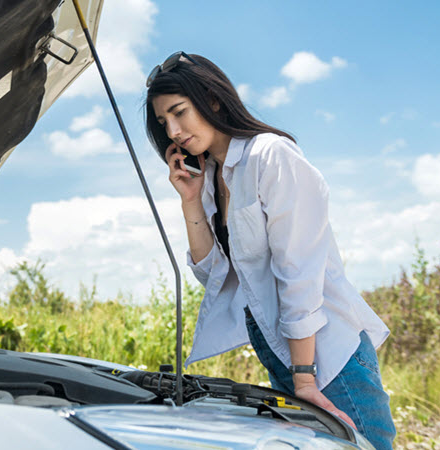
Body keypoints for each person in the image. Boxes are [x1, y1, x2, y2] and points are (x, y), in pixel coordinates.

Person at [145, 52, 396, 450]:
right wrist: (190, 201)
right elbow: (213, 273)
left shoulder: (270, 155)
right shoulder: (211, 175)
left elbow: (298, 271)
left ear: (212, 99)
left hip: (326, 356)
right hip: (283, 352)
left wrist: (305, 378)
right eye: (164, 123)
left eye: (179, 112)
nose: (173, 131)